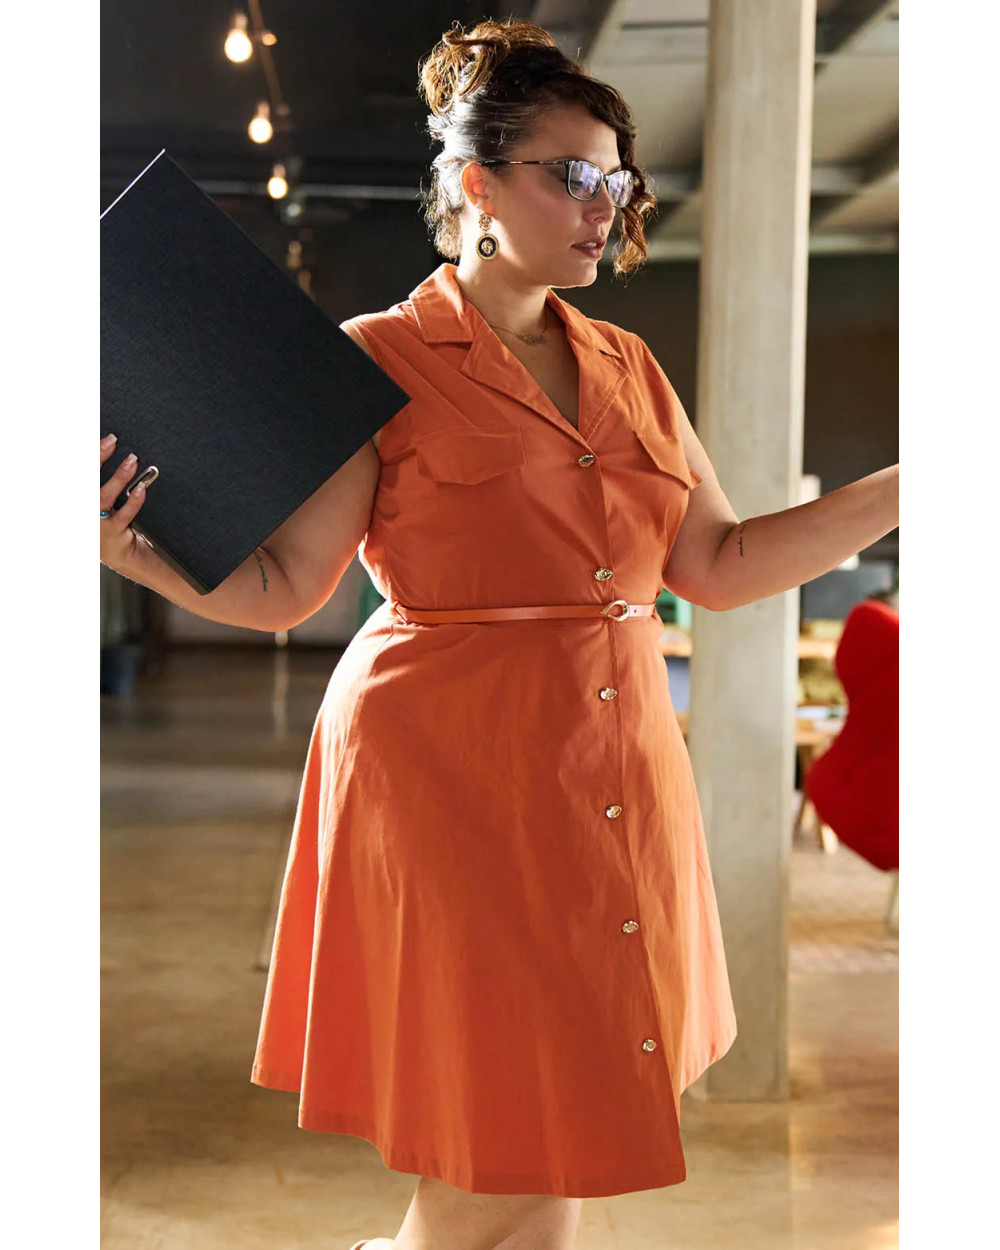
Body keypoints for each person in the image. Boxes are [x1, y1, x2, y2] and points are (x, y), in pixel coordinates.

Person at [99, 18, 900, 1250]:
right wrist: (123, 550)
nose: (602, 207)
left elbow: (720, 562)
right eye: (570, 175)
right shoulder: (380, 358)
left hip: (614, 762)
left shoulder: (629, 365)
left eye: (614, 182)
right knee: (504, 1117)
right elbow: (284, 587)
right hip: (447, 771)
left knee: (565, 1108)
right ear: (476, 185)